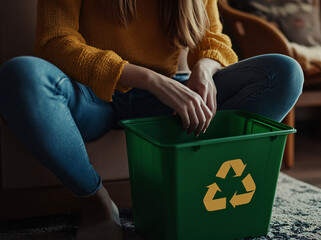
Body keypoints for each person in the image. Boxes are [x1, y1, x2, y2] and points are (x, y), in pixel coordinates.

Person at [0, 0, 303, 239]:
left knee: (285, 73)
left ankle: (198, 185)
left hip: (165, 100)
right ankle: (96, 200)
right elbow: (55, 42)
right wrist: (150, 79)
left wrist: (205, 71)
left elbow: (214, 39)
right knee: (21, 76)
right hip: (92, 97)